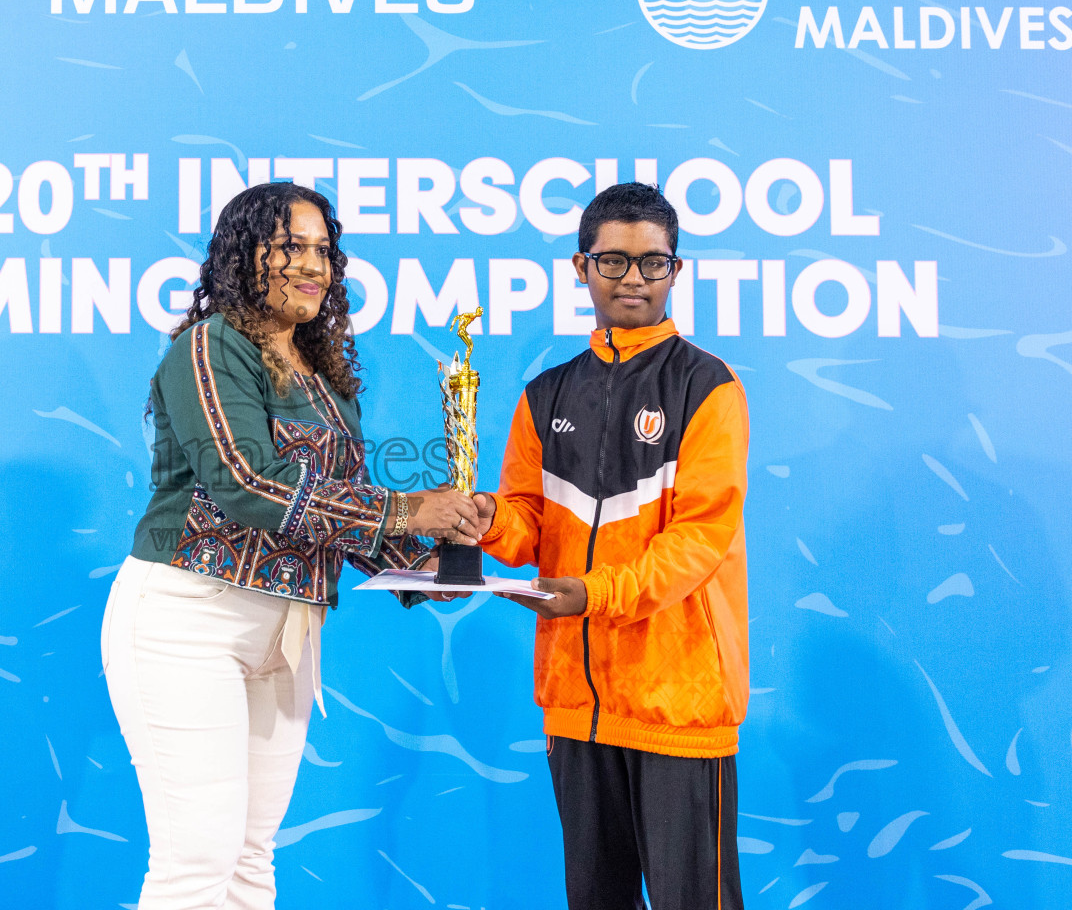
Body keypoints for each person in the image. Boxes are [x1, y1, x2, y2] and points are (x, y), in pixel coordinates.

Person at [103, 181, 480, 910]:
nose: (314, 266)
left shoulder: (323, 374)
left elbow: (339, 507)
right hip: (187, 620)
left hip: (286, 633)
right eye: (291, 248)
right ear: (245, 257)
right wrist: (410, 510)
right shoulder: (211, 346)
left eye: (323, 251)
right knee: (197, 858)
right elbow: (249, 483)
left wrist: (435, 561)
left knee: (250, 859)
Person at [474, 182, 750, 910]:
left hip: (678, 702)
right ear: (581, 267)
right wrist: (480, 520)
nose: (634, 279)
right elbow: (527, 522)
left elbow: (700, 540)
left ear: (677, 271)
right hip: (576, 701)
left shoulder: (708, 386)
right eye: (615, 262)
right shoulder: (547, 394)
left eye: (653, 263)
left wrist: (592, 594)